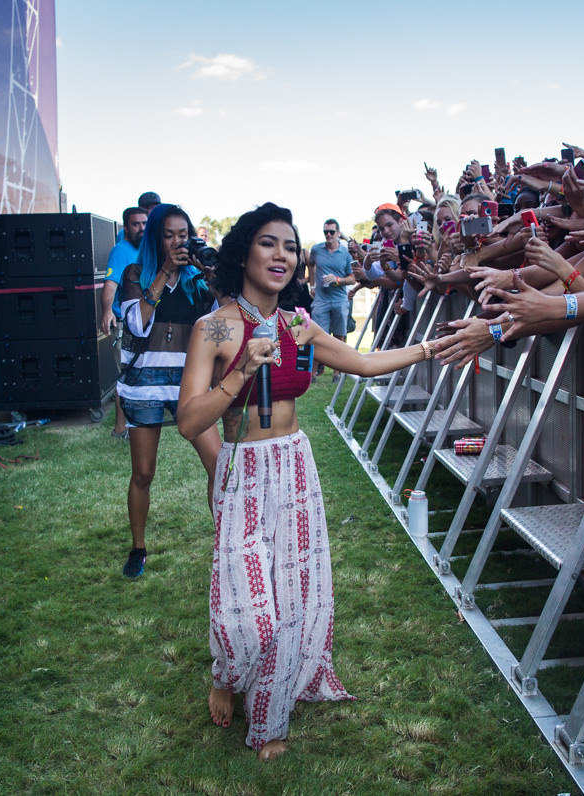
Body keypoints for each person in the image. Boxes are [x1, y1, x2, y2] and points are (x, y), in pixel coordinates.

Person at [175, 202, 436, 760]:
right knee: (247, 611)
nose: (282, 255)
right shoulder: (215, 326)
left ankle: (269, 722)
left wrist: (433, 347)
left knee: (292, 599)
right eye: (269, 243)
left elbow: (362, 364)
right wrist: (243, 369)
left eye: (291, 247)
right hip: (242, 468)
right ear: (244, 252)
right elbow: (189, 421)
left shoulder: (299, 322)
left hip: (294, 465)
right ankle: (228, 671)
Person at [116, 204, 221, 578]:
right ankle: (138, 548)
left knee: (218, 465)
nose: (178, 241)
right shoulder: (135, 274)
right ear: (155, 238)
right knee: (143, 473)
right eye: (169, 234)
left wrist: (213, 277)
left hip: (187, 386)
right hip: (144, 387)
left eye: (183, 234)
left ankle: (225, 546)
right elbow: (136, 324)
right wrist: (164, 272)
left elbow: (223, 319)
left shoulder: (197, 281)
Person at [102, 206, 147, 440]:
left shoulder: (147, 250)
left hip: (143, 323)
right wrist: (107, 311)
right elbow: (110, 283)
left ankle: (130, 426)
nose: (141, 228)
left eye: (144, 224)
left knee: (136, 375)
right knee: (126, 376)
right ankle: (120, 430)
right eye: (136, 224)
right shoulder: (120, 251)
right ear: (126, 227)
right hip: (123, 323)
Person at [309, 218, 355, 378]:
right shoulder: (316, 250)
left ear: (338, 233)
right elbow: (310, 264)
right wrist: (312, 285)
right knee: (316, 337)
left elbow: (353, 278)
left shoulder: (346, 253)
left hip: (339, 300)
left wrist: (338, 280)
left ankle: (337, 372)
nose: (328, 235)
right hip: (320, 300)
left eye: (331, 232)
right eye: (325, 232)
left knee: (339, 336)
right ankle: (313, 373)